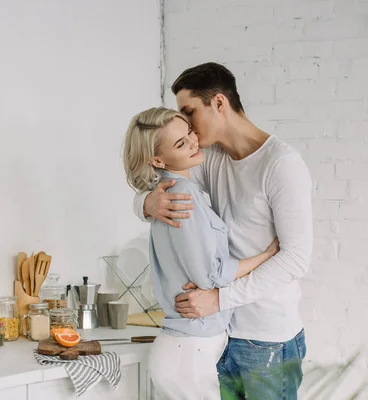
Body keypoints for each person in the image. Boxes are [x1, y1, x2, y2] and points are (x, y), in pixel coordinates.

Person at [132, 63, 313, 399]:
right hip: (218, 335)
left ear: (218, 103)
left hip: (266, 340)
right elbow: (166, 180)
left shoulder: (281, 164)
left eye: (189, 112)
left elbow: (296, 259)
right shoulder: (209, 158)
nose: (187, 126)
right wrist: (145, 203)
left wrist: (220, 299)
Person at [122, 107, 279, 399]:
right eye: (181, 144)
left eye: (190, 133)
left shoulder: (171, 191)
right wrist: (267, 254)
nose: (194, 142)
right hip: (189, 352)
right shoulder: (182, 195)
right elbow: (212, 274)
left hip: (186, 348)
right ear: (157, 159)